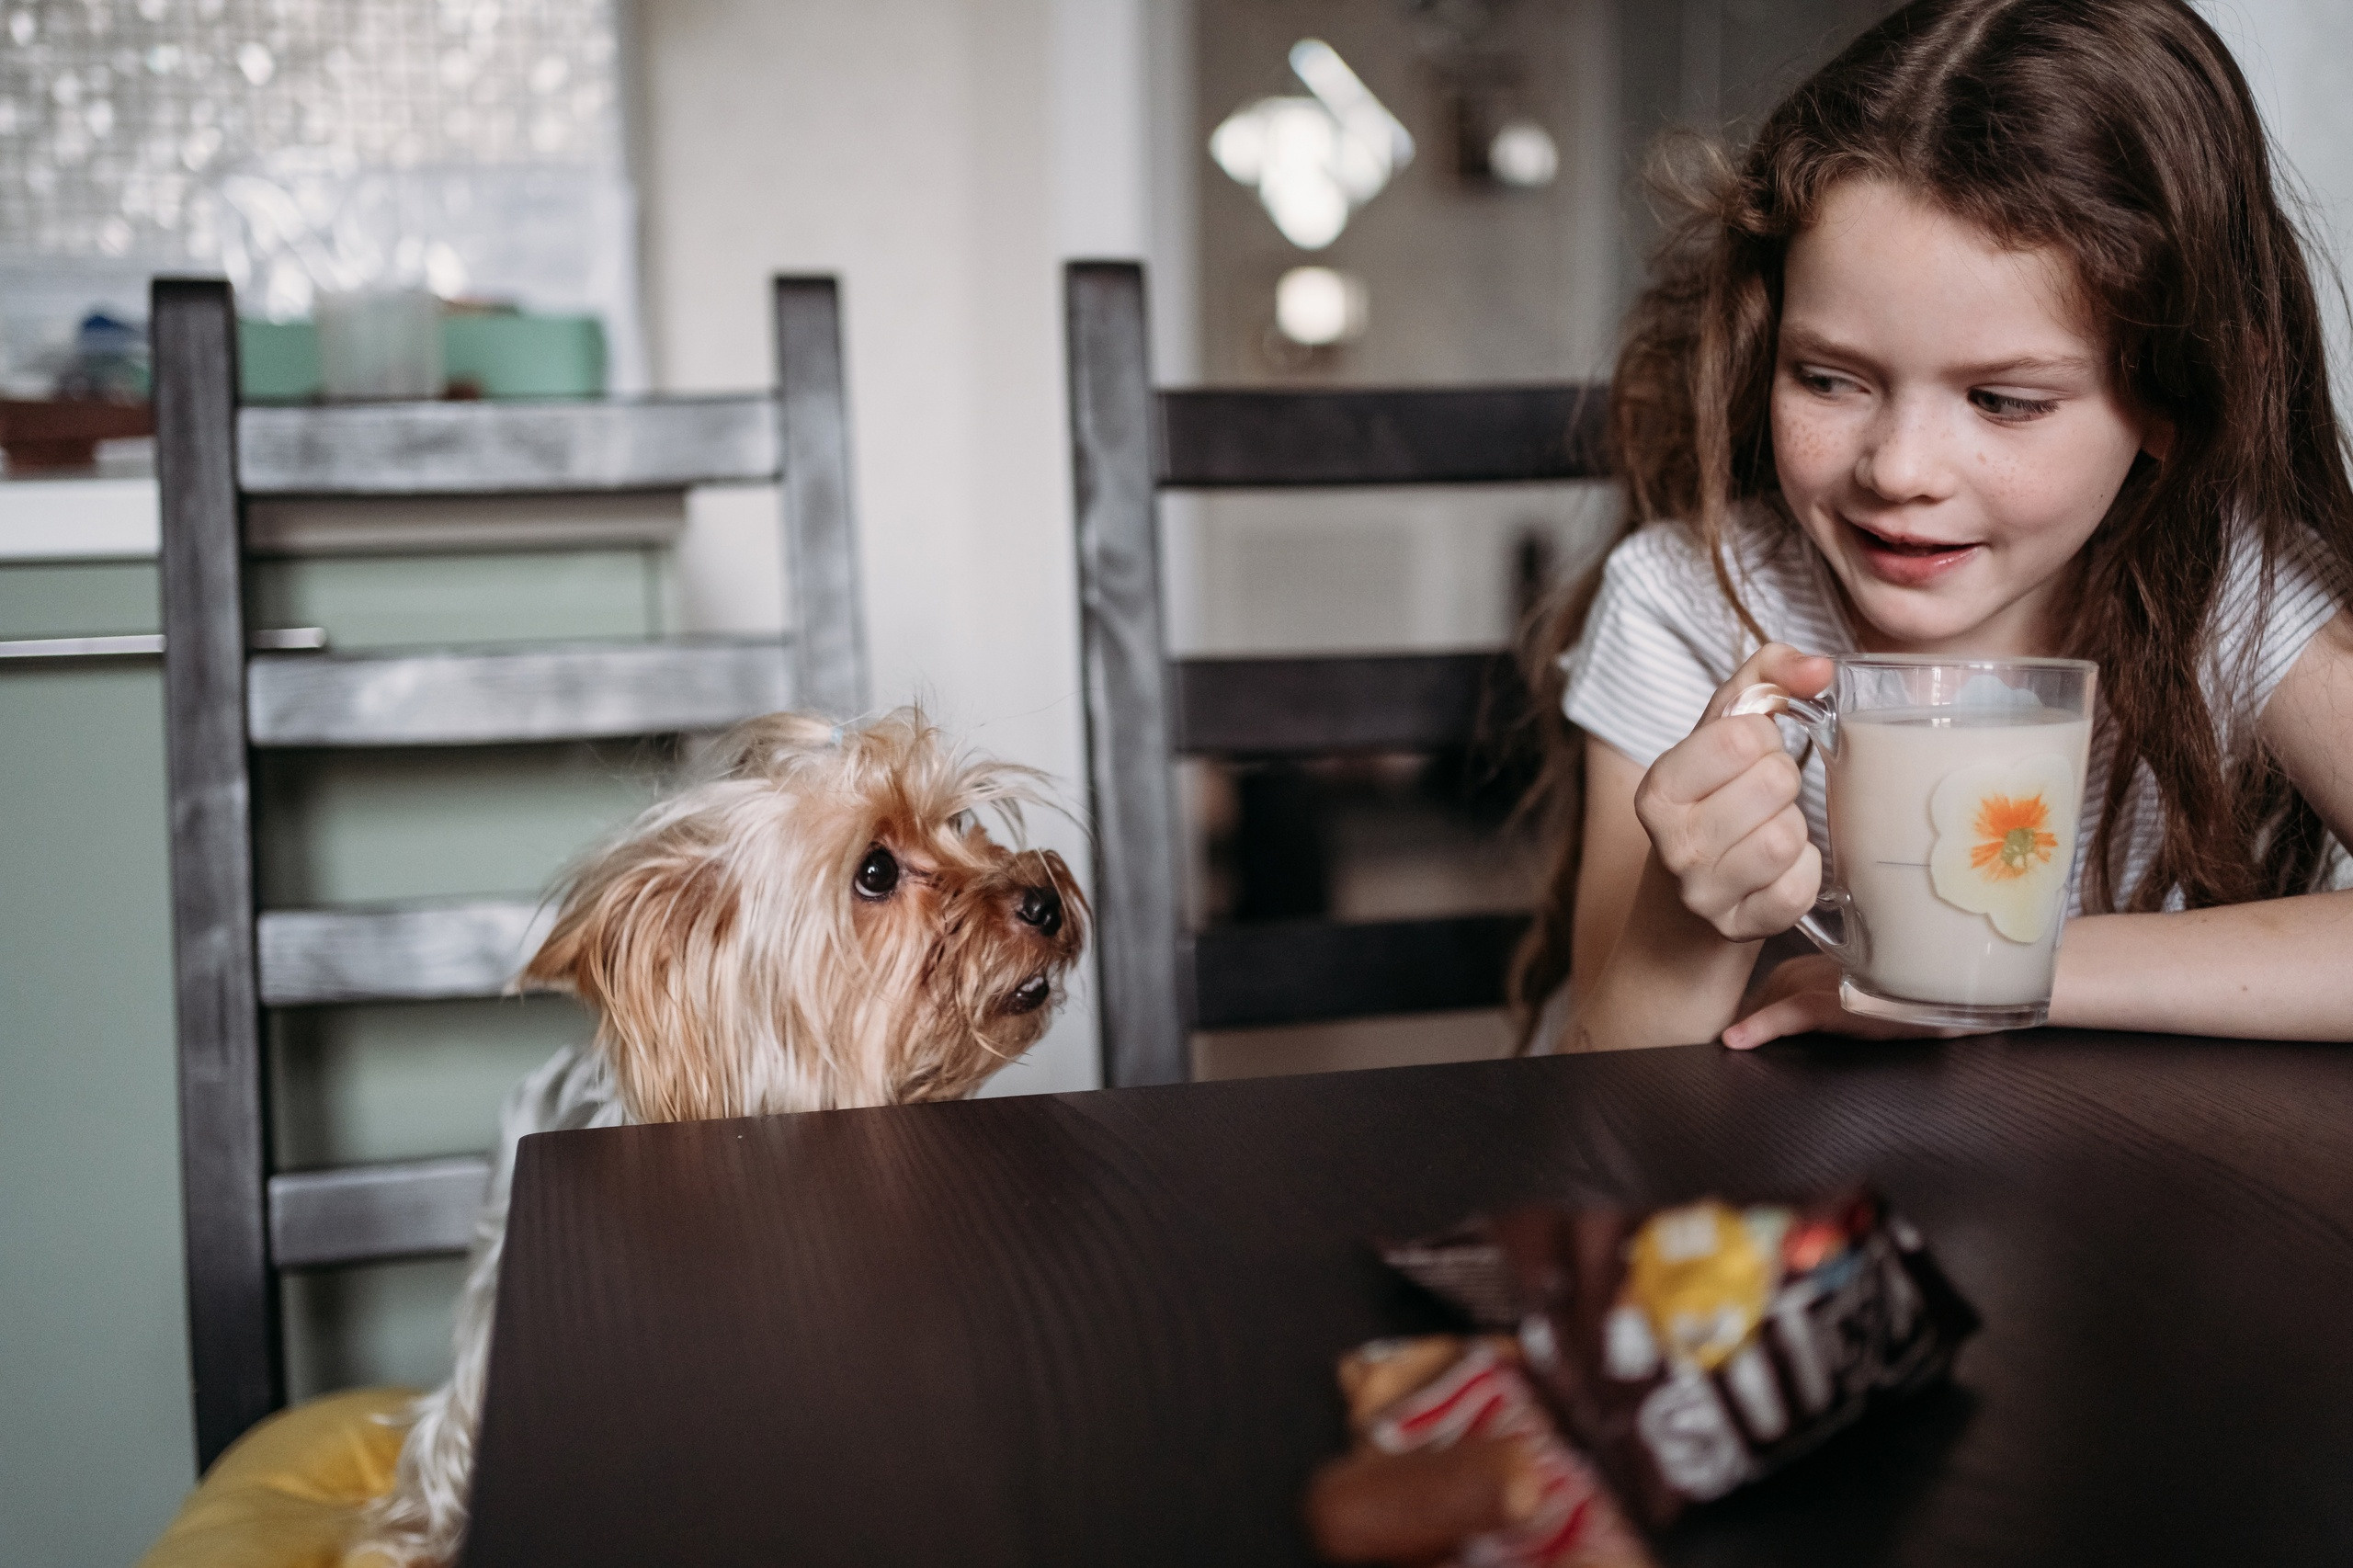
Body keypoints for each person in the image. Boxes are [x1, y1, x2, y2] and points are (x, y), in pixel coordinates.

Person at [1513, 0, 2353, 1054]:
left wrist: (1982, 972)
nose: (1898, 470)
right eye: (1827, 378)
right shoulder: (1688, 600)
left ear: (2170, 402)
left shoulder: (2226, 597)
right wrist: (1684, 921)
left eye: (2003, 401)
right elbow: (1608, 1092)